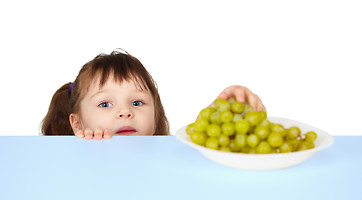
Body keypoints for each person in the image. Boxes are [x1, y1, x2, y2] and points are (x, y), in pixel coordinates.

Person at [41, 50, 265, 140]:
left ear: (156, 115)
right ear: (77, 124)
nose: (125, 112)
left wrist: (224, 112)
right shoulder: (68, 165)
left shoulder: (170, 156)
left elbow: (198, 145)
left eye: (137, 102)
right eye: (105, 104)